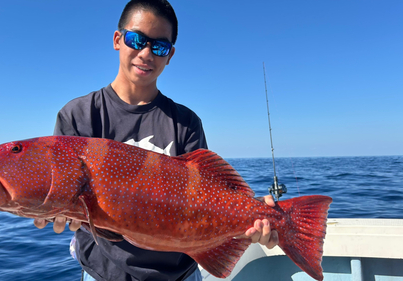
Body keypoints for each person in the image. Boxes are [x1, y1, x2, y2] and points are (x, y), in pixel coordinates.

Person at [34, 1, 279, 280]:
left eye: (159, 46)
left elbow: (211, 197)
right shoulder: (78, 116)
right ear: (118, 40)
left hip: (180, 275)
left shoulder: (186, 123)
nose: (146, 53)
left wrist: (254, 221)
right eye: (137, 40)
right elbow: (60, 189)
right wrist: (51, 209)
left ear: (170, 55)